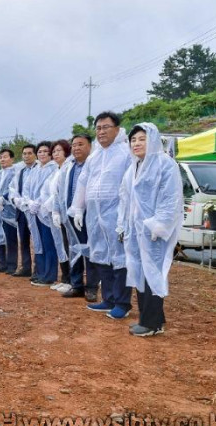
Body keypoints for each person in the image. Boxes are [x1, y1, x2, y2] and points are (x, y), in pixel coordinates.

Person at [118, 123, 182, 336]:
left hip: (154, 232)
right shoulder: (134, 167)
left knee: (152, 275)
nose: (136, 143)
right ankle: (152, 318)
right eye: (133, 139)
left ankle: (151, 324)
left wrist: (159, 225)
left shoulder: (164, 164)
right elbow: (125, 199)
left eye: (141, 139)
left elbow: (170, 197)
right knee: (140, 274)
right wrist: (122, 226)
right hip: (136, 232)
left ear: (153, 139)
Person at [69, 111, 132, 319]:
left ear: (117, 128)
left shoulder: (125, 152)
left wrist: (126, 214)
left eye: (106, 127)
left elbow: (130, 184)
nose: (102, 131)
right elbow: (83, 182)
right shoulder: (95, 156)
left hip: (116, 212)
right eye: (98, 128)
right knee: (100, 255)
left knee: (119, 257)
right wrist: (78, 208)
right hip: (95, 214)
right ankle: (108, 298)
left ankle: (123, 303)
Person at [54, 134, 99, 302]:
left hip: (90, 215)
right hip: (70, 215)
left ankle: (92, 288)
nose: (76, 148)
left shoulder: (94, 164)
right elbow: (59, 191)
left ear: (90, 146)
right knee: (74, 249)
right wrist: (57, 211)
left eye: (81, 144)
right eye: (74, 145)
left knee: (91, 251)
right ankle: (77, 284)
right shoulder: (68, 167)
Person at [23, 141, 58, 287]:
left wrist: (38, 203)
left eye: (45, 151)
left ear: (50, 154)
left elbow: (50, 191)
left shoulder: (54, 169)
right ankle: (41, 273)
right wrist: (29, 202)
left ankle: (49, 275)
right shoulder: (35, 170)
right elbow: (26, 188)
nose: (42, 154)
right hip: (34, 212)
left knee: (49, 243)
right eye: (40, 151)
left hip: (46, 212)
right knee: (38, 243)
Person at [40, 139, 72, 291]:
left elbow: (61, 193)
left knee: (69, 246)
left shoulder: (69, 168)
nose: (55, 153)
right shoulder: (57, 171)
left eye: (59, 150)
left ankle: (72, 280)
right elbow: (51, 191)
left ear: (66, 151)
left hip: (67, 214)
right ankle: (66, 278)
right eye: (54, 151)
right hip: (57, 213)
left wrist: (52, 205)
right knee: (62, 246)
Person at [0, 148, 20, 274]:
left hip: (9, 211)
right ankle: (2, 263)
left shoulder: (15, 173)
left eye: (5, 157)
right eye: (0, 157)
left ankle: (12, 265)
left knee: (10, 238)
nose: (2, 159)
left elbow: (14, 189)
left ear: (12, 159)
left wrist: (3, 200)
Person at [9, 145, 38, 278]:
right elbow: (13, 189)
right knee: (24, 240)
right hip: (21, 211)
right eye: (24, 154)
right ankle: (26, 267)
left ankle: (38, 269)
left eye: (30, 153)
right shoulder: (20, 172)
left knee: (38, 241)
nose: (27, 156)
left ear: (35, 155)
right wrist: (15, 199)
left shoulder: (39, 169)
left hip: (35, 211)